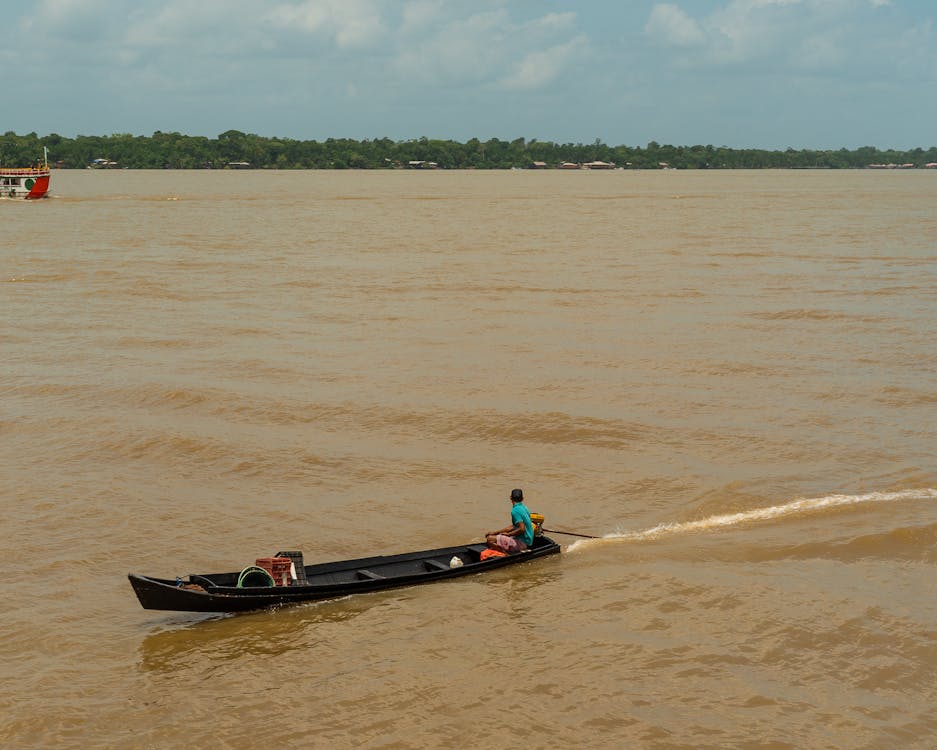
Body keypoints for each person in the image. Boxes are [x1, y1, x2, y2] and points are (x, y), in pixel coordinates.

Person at [486, 488, 535, 554]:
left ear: (510, 498)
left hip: (522, 543)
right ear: (522, 498)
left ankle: (506, 555)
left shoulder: (515, 511)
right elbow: (513, 526)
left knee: (489, 539)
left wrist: (508, 534)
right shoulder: (524, 507)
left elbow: (522, 529)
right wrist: (495, 532)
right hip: (528, 541)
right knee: (495, 536)